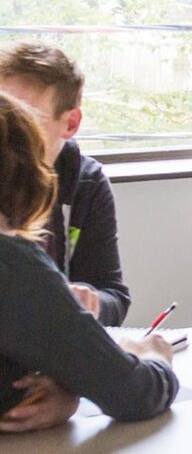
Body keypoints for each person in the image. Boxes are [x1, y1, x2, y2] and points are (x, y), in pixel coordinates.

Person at [0, 91, 178, 433]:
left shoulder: (88, 181)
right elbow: (134, 394)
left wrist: (66, 390)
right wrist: (154, 357)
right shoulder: (16, 269)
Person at [0, 42, 130, 325]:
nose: (10, 128)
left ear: (71, 123)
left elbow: (114, 296)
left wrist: (90, 301)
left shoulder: (86, 182)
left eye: (26, 117)